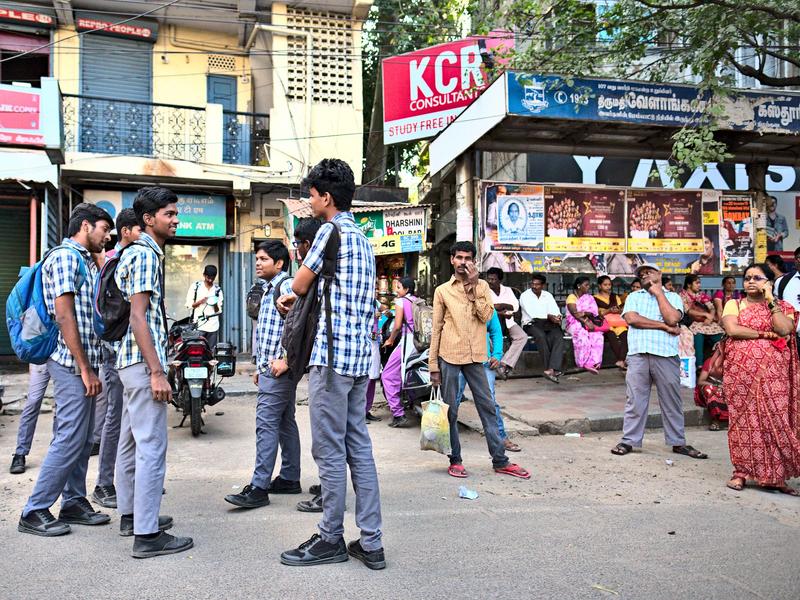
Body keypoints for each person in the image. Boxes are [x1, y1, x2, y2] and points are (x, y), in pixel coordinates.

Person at [276, 159, 385, 570]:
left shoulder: (329, 231)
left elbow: (299, 284)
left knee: (328, 451)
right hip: (360, 361)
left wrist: (290, 292)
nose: (309, 201)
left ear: (326, 197)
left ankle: (330, 537)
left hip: (332, 359)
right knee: (358, 447)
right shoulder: (362, 238)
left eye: (312, 194)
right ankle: (371, 542)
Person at [17, 203, 113, 537]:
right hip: (71, 363)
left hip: (85, 362)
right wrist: (85, 368)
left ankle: (73, 501)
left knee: (84, 437)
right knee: (70, 436)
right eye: (104, 229)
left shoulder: (84, 260)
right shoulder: (66, 257)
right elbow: (64, 315)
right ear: (86, 226)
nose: (108, 236)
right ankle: (35, 509)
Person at [114, 186, 192, 558]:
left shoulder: (134, 252)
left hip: (128, 362)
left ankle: (131, 515)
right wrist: (157, 371)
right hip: (142, 364)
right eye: (170, 215)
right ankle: (147, 534)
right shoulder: (145, 255)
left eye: (176, 214)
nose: (176, 220)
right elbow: (138, 317)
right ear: (148, 219)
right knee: (151, 448)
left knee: (131, 443)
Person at [428, 240, 530, 480]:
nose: (464, 262)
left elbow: (486, 316)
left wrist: (473, 287)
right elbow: (436, 329)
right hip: (450, 356)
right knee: (451, 411)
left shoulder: (483, 286)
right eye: (459, 258)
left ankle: (500, 460)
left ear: (474, 261)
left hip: (477, 357)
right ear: (452, 260)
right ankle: (455, 459)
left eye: (468, 258)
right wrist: (433, 366)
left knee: (488, 408)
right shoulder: (442, 291)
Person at [225, 240, 301, 509]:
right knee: (284, 422)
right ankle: (290, 478)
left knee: (266, 423)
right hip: (271, 368)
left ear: (279, 263)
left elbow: (301, 326)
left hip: (280, 368)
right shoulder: (269, 289)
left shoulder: (286, 285)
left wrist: (285, 361)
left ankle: (258, 487)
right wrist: (260, 367)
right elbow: (269, 332)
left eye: (264, 259)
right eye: (257, 258)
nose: (258, 263)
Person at [611, 263, 708, 460]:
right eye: (642, 273)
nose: (645, 275)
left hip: (666, 355)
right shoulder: (634, 296)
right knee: (635, 399)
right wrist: (663, 327)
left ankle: (677, 441)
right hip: (638, 354)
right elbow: (632, 319)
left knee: (672, 400)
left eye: (649, 272)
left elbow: (673, 318)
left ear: (660, 274)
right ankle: (629, 440)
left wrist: (658, 294)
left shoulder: (673, 297)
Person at [721, 263, 800, 495]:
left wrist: (771, 301)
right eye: (747, 278)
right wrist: (766, 335)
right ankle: (741, 472)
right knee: (743, 422)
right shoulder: (733, 304)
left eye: (757, 277)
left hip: (775, 375)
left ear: (769, 282)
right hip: (740, 374)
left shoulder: (784, 306)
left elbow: (784, 329)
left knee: (776, 420)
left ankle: (775, 477)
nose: (751, 282)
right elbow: (733, 330)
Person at [92, 208, 141, 510]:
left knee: (130, 419)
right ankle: (104, 484)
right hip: (115, 353)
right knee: (115, 418)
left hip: (125, 351)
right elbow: (109, 311)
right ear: (127, 231)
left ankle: (131, 482)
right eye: (138, 230)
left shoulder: (124, 258)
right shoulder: (114, 260)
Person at [455, 310, 521, 452]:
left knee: (490, 401)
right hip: (458, 360)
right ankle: (446, 437)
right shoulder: (455, 301)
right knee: (453, 400)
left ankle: (501, 438)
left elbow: (496, 332)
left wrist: (497, 354)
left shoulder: (488, 307)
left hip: (483, 361)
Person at [380, 277, 418, 428]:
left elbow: (396, 326)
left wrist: (390, 340)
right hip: (419, 343)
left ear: (407, 289)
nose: (396, 290)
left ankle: (398, 413)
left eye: (399, 287)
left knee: (388, 375)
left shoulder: (401, 302)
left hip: (407, 342)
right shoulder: (417, 300)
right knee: (403, 373)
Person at [519, 273, 564, 383]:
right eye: (532, 284)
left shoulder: (547, 295)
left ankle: (551, 369)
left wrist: (557, 317)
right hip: (531, 323)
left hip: (548, 323)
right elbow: (532, 313)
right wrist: (549, 316)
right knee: (541, 336)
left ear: (543, 285)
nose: (534, 286)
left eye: (537, 284)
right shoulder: (525, 295)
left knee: (558, 336)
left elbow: (555, 310)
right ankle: (550, 368)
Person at [485, 267, 528, 379]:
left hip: (508, 321)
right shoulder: (484, 290)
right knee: (487, 337)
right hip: (490, 323)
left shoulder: (507, 290)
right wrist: (500, 310)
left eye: (493, 279)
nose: (490, 282)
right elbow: (486, 307)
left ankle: (504, 363)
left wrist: (499, 306)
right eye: (489, 279)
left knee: (522, 337)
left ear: (500, 280)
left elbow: (515, 306)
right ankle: (495, 361)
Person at [9, 363, 52, 474]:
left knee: (62, 405)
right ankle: (20, 453)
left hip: (65, 357)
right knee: (33, 402)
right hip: (42, 357)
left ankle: (58, 450)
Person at [680, 274, 724, 365]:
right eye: (697, 283)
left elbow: (712, 308)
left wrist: (710, 317)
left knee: (721, 336)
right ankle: (699, 365)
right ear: (689, 285)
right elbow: (688, 311)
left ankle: (718, 364)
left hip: (705, 322)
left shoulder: (701, 295)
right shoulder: (682, 295)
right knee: (698, 336)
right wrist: (705, 314)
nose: (699, 285)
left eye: (699, 283)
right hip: (691, 322)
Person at [565, 276, 604, 374]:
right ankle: (583, 363)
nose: (588, 287)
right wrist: (585, 321)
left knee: (598, 336)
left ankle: (594, 363)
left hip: (588, 322)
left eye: (588, 285)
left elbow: (594, 312)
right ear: (579, 286)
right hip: (574, 323)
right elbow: (574, 313)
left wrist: (585, 313)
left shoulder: (589, 298)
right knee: (582, 335)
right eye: (586, 285)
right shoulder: (572, 297)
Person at [186, 264, 223, 350]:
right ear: (204, 275)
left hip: (213, 326)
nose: (210, 280)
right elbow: (189, 305)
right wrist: (200, 302)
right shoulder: (196, 287)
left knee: (210, 353)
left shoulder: (217, 290)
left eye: (212, 278)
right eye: (208, 277)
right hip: (199, 325)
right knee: (197, 351)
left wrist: (214, 304)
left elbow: (218, 311)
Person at [594, 275, 628, 370]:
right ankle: (621, 360)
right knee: (611, 336)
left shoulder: (615, 297)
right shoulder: (594, 298)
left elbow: (621, 310)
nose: (608, 286)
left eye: (609, 284)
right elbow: (596, 314)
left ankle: (621, 360)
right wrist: (608, 310)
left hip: (617, 322)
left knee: (625, 335)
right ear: (599, 286)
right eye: (605, 284)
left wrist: (617, 310)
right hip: (605, 323)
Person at [694, 351, 728, 431]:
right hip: (711, 387)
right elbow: (701, 381)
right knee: (710, 390)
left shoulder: (733, 363)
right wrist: (717, 385)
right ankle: (715, 421)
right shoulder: (710, 362)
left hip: (726, 387)